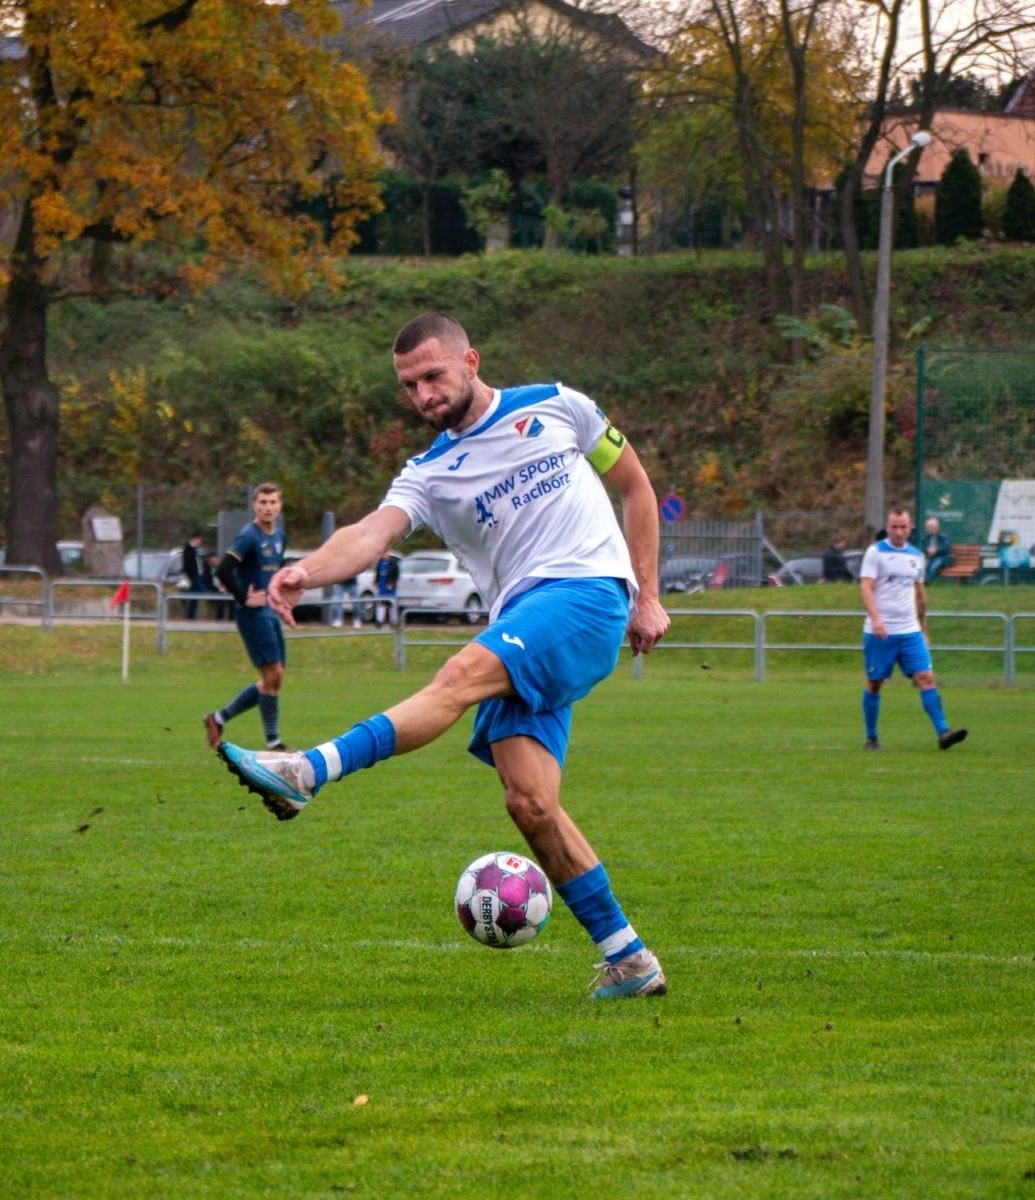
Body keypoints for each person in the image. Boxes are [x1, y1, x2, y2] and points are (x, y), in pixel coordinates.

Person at [216, 313, 672, 1001]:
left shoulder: (557, 403)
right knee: (531, 805)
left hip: (585, 594)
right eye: (409, 386)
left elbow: (636, 487)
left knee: (458, 676)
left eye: (433, 376)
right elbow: (372, 534)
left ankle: (308, 770)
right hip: (522, 618)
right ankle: (628, 958)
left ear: (470, 361)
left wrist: (649, 595)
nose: (424, 395)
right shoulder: (428, 472)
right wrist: (304, 571)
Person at [859, 506, 968, 752]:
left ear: (910, 529)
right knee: (875, 683)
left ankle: (944, 732)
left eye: (903, 527)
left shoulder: (917, 556)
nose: (899, 531)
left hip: (910, 632)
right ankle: (871, 738)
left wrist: (924, 629)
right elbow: (866, 588)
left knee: (926, 678)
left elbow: (920, 596)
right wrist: (876, 619)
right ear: (887, 528)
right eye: (894, 526)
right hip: (881, 632)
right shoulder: (875, 553)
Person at [203, 483, 289, 752]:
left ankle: (218, 719)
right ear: (254, 506)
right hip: (252, 614)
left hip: (270, 612)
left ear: (279, 506)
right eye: (262, 502)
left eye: (272, 502)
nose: (267, 507)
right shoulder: (248, 536)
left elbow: (273, 572)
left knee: (276, 677)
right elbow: (224, 570)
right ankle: (273, 743)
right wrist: (244, 598)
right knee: (272, 675)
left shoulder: (279, 536)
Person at [181, 532, 208, 620]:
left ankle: (191, 615)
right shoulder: (188, 549)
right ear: (195, 539)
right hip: (193, 575)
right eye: (199, 540)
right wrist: (190, 574)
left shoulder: (195, 550)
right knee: (203, 590)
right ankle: (184, 594)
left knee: (195, 596)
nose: (200, 542)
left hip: (197, 575)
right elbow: (188, 563)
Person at [921, 517, 952, 582]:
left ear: (935, 528)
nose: (927, 529)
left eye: (929, 527)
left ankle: (926, 581)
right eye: (927, 527)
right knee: (922, 564)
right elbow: (922, 548)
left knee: (935, 565)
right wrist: (927, 550)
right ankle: (920, 581)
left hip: (941, 557)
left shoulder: (943, 537)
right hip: (929, 557)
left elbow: (946, 548)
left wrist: (936, 550)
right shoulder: (925, 538)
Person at [372, 553, 399, 625]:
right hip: (382, 587)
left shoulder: (393, 563)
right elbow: (377, 573)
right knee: (381, 604)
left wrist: (392, 583)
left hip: (390, 588)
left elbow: (396, 575)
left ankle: (394, 621)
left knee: (391, 604)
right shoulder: (380, 563)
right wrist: (376, 582)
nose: (384, 555)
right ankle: (379, 621)